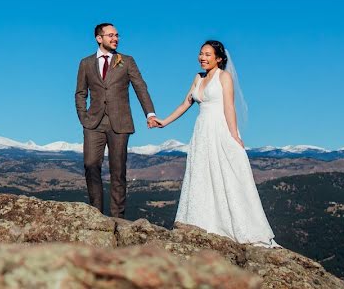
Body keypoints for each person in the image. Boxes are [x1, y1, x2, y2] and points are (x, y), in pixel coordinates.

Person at [156, 40, 278, 247]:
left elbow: (229, 107)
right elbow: (186, 102)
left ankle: (235, 225)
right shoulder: (198, 78)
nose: (202, 57)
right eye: (201, 53)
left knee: (225, 174)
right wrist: (164, 122)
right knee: (202, 173)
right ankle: (201, 221)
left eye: (207, 54)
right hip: (201, 131)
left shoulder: (224, 77)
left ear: (219, 58)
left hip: (219, 128)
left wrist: (234, 135)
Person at [75, 23, 159, 219]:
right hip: (93, 123)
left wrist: (150, 114)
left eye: (117, 35)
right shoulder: (86, 63)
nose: (115, 39)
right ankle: (96, 214)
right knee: (90, 164)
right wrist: (83, 117)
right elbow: (80, 93)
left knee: (118, 170)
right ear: (99, 38)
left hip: (120, 123)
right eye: (111, 35)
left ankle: (117, 219)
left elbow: (140, 87)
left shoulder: (127, 61)